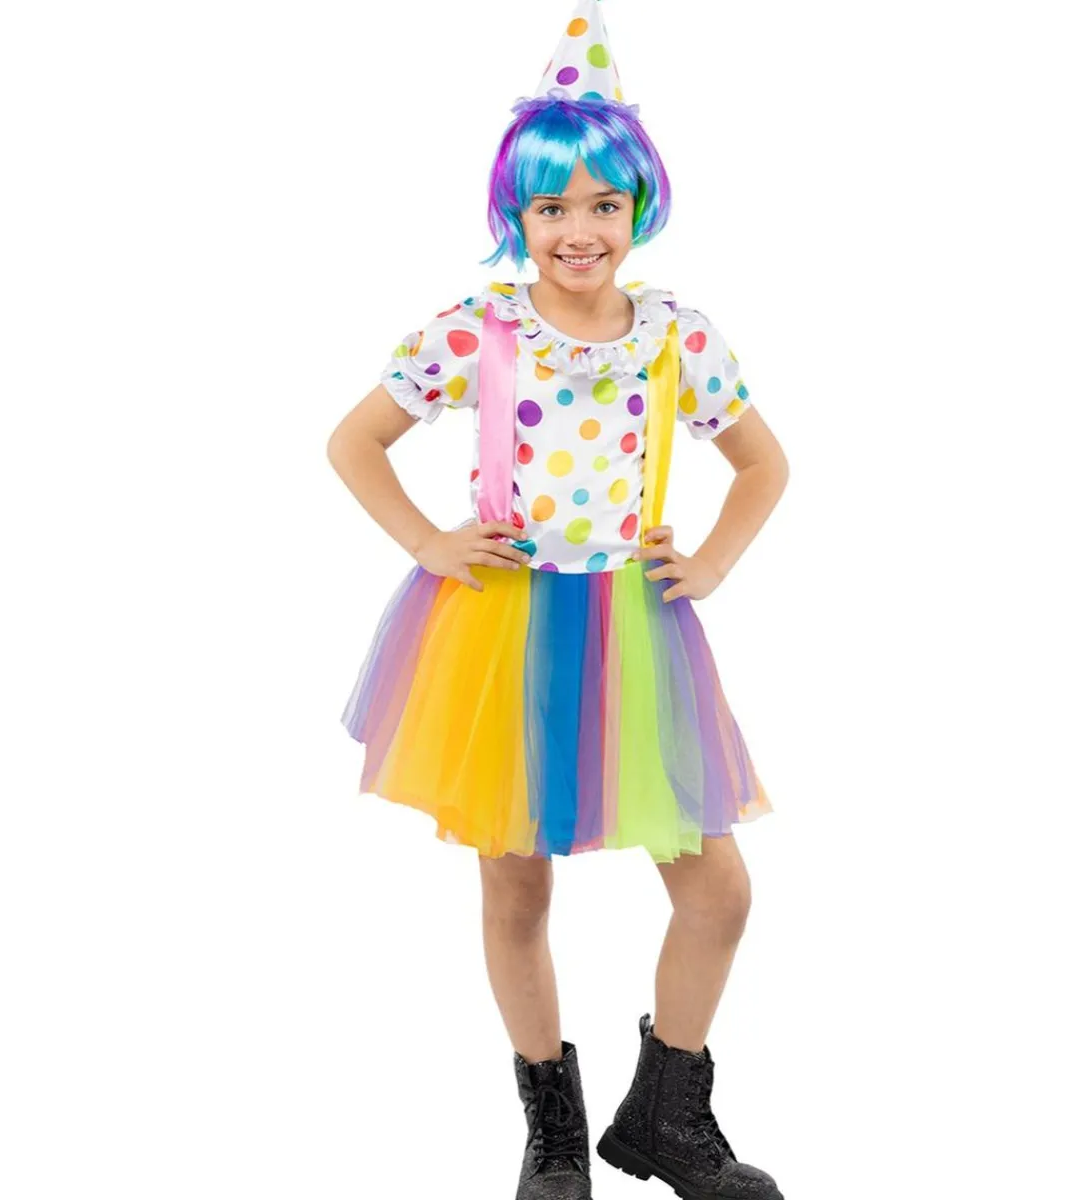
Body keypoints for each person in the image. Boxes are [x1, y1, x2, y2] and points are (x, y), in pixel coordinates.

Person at [326, 3, 789, 1196]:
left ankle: (669, 1115)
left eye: (602, 205)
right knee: (515, 879)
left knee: (717, 886)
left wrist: (712, 562)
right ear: (515, 216)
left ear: (639, 208)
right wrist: (429, 540)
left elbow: (763, 464)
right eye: (551, 208)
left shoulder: (677, 337)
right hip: (504, 627)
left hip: (636, 627)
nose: (579, 232)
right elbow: (354, 441)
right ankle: (551, 1126)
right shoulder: (477, 333)